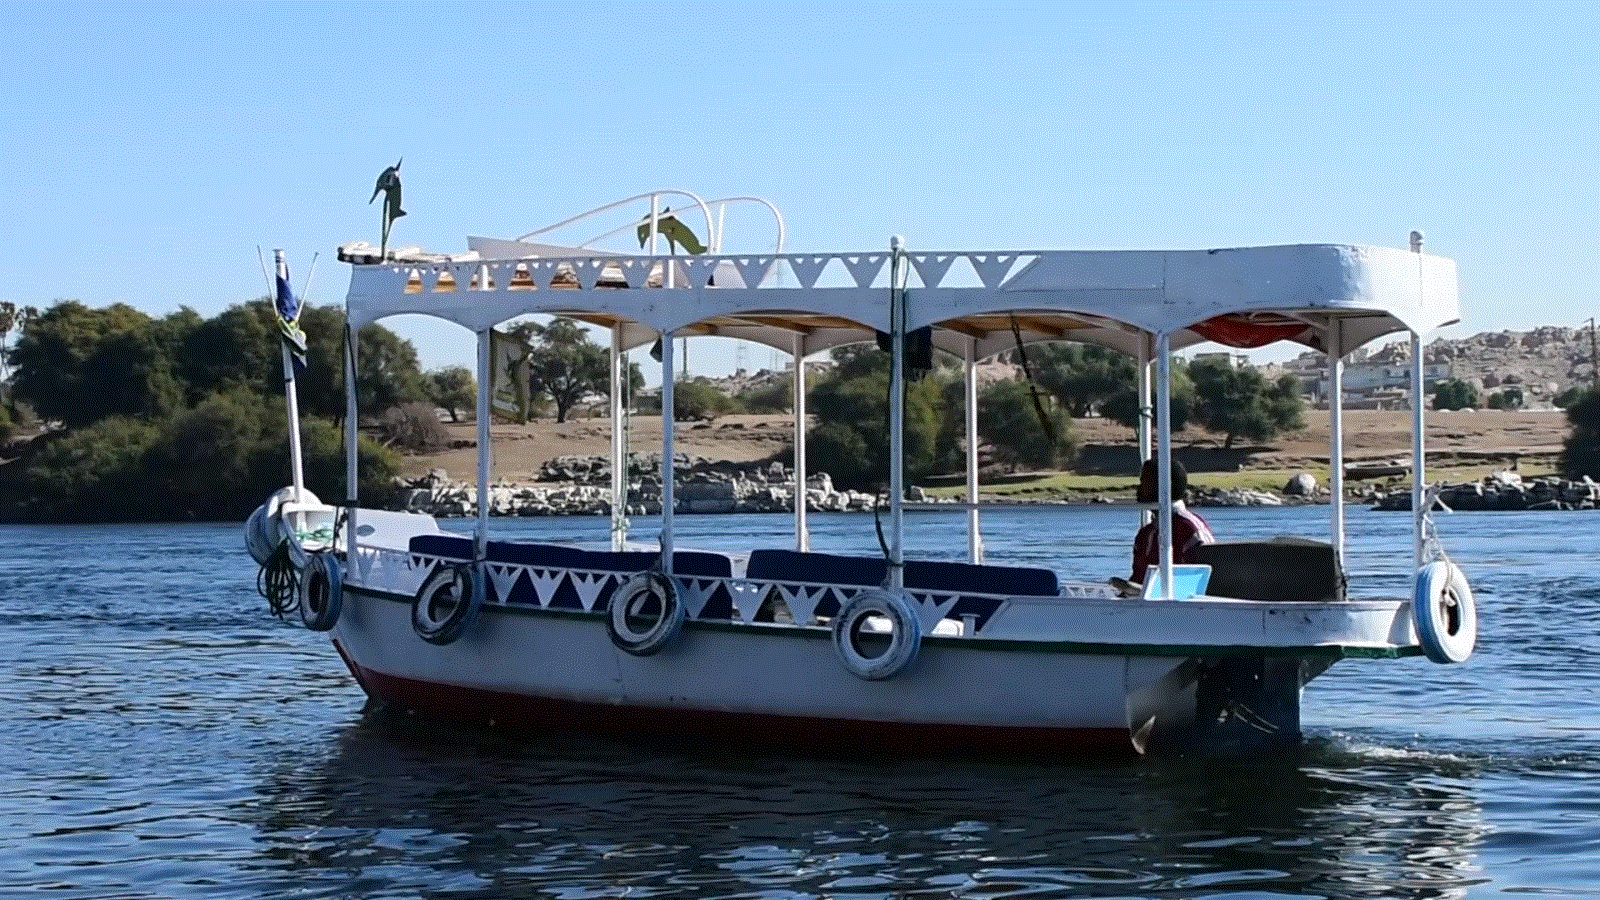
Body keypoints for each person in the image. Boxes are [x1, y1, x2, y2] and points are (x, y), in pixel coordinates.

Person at [1111, 458, 1216, 597]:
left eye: (1144, 483)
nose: (1139, 489)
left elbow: (1204, 584)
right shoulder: (1146, 534)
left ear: (1163, 486)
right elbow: (1137, 579)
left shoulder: (1189, 529)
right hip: (1144, 607)